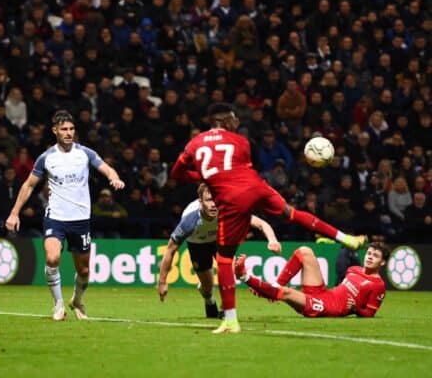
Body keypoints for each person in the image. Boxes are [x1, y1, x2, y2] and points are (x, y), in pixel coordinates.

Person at [170, 102, 367, 334]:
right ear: (223, 121)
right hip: (255, 185)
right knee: (291, 213)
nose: (237, 123)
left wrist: (204, 176)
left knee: (224, 260)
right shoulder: (241, 142)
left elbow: (176, 174)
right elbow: (240, 168)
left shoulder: (194, 144)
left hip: (232, 197)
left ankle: (231, 320)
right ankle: (345, 238)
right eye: (233, 119)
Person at [5, 111, 125, 321]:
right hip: (56, 218)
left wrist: (114, 179)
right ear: (55, 131)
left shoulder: (85, 153)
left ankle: (77, 301)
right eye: (64, 129)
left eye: (71, 129)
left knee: (85, 269)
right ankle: (58, 304)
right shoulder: (46, 158)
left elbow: (107, 169)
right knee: (52, 258)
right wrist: (14, 213)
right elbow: (29, 185)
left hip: (80, 220)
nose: (69, 133)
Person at [158, 183, 281, 318]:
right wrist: (163, 282)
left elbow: (261, 223)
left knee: (230, 268)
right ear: (200, 202)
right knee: (207, 286)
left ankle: (225, 311)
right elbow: (170, 249)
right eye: (208, 200)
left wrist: (273, 240)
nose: (213, 204)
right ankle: (209, 298)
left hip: (219, 239)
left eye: (215, 199)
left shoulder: (227, 209)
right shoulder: (190, 221)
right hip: (197, 243)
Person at [234, 242, 389, 318]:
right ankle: (273, 287)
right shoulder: (353, 269)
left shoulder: (378, 285)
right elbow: (341, 289)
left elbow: (370, 313)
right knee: (305, 251)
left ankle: (244, 276)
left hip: (329, 307)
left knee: (287, 293)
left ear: (382, 263)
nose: (370, 257)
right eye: (369, 253)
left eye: (375, 256)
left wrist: (355, 309)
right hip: (325, 294)